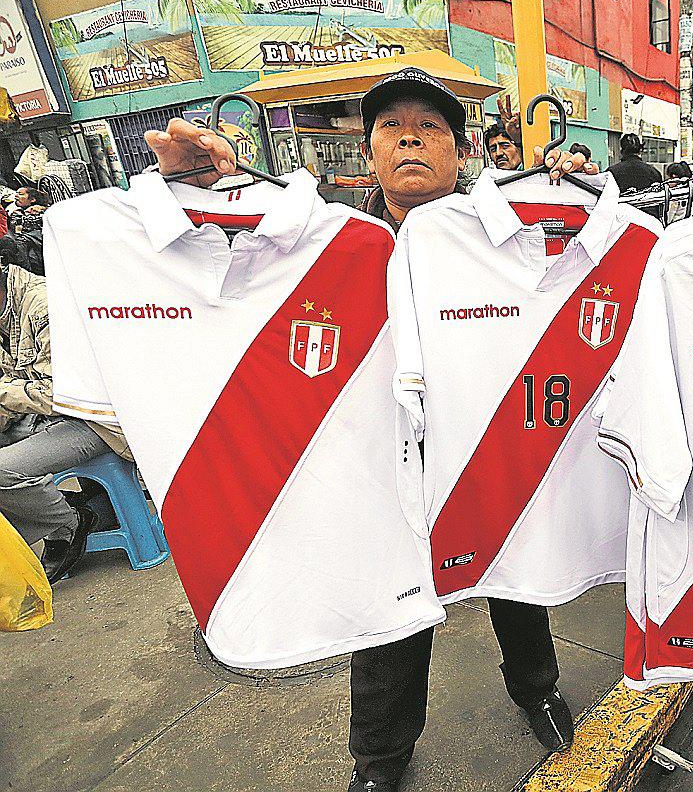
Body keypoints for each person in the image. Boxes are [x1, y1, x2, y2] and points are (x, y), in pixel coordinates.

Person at [143, 67, 596, 792]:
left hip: (485, 452)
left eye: (433, 125)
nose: (411, 134)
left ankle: (535, 689)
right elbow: (210, 272)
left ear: (464, 150)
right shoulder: (323, 242)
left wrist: (568, 189)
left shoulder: (508, 238)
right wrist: (191, 189)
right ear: (370, 148)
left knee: (518, 577)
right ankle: (380, 759)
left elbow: (580, 270)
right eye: (391, 124)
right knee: (384, 614)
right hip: (377, 462)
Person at [0, 257, 130, 582]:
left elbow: (58, 393)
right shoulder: (7, 311)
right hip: (42, 418)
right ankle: (64, 510)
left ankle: (68, 521)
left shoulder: (44, 304)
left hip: (92, 420)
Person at [1, 186, 47, 275]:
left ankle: (25, 274)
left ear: (33, 199)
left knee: (19, 242)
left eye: (21, 194)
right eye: (17, 193)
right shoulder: (14, 209)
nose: (16, 196)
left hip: (36, 237)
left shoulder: (38, 210)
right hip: (23, 240)